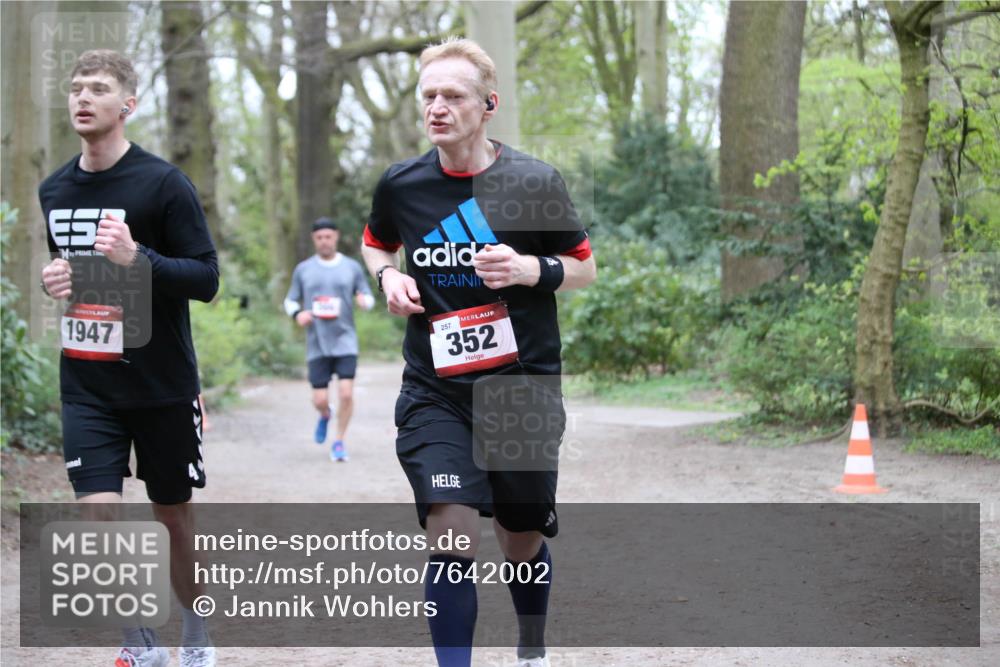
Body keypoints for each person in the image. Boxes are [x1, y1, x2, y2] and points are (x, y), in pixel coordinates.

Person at [361, 37, 596, 667]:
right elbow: (376, 244)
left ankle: (531, 647)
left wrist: (526, 270)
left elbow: (583, 269)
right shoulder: (403, 185)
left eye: (453, 95)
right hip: (436, 389)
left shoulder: (533, 182)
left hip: (521, 388)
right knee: (451, 530)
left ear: (487, 104)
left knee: (518, 537)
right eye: (429, 96)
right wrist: (388, 278)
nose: (437, 107)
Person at [38, 50, 218, 667]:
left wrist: (138, 259)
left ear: (128, 105)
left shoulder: (164, 184)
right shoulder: (54, 188)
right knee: (98, 515)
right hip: (87, 380)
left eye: (98, 89)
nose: (82, 98)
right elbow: (73, 273)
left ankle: (195, 634)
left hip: (161, 383)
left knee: (172, 517)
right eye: (76, 88)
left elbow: (206, 278)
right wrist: (54, 281)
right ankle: (140, 645)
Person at [283, 218, 375, 460]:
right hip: (317, 344)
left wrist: (364, 301)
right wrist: (297, 314)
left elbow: (367, 293)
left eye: (328, 237)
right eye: (319, 237)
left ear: (336, 237)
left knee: (346, 393)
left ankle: (339, 441)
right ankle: (325, 414)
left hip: (345, 340)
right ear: (315, 240)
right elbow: (290, 300)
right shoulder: (303, 269)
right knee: (320, 399)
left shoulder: (351, 267)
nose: (324, 241)